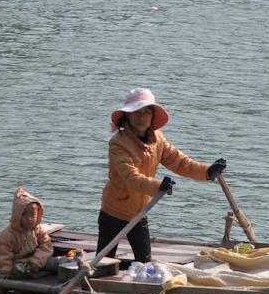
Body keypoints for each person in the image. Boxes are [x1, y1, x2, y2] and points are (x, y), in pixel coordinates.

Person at [97, 87, 226, 263]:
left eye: (146, 112)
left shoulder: (157, 139)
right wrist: (158, 186)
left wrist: (207, 172)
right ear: (127, 115)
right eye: (136, 113)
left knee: (145, 261)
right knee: (103, 262)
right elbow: (131, 178)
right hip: (114, 212)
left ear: (152, 116)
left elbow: (180, 162)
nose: (142, 118)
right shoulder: (118, 144)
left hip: (139, 212)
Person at [0, 186, 55, 279]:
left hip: (37, 261)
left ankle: (38, 273)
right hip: (20, 264)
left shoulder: (38, 230)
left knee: (55, 263)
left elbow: (46, 246)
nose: (29, 218)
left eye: (32, 214)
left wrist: (36, 261)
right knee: (18, 271)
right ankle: (35, 275)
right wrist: (5, 273)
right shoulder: (8, 235)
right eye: (24, 214)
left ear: (38, 214)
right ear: (17, 216)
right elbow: (4, 256)